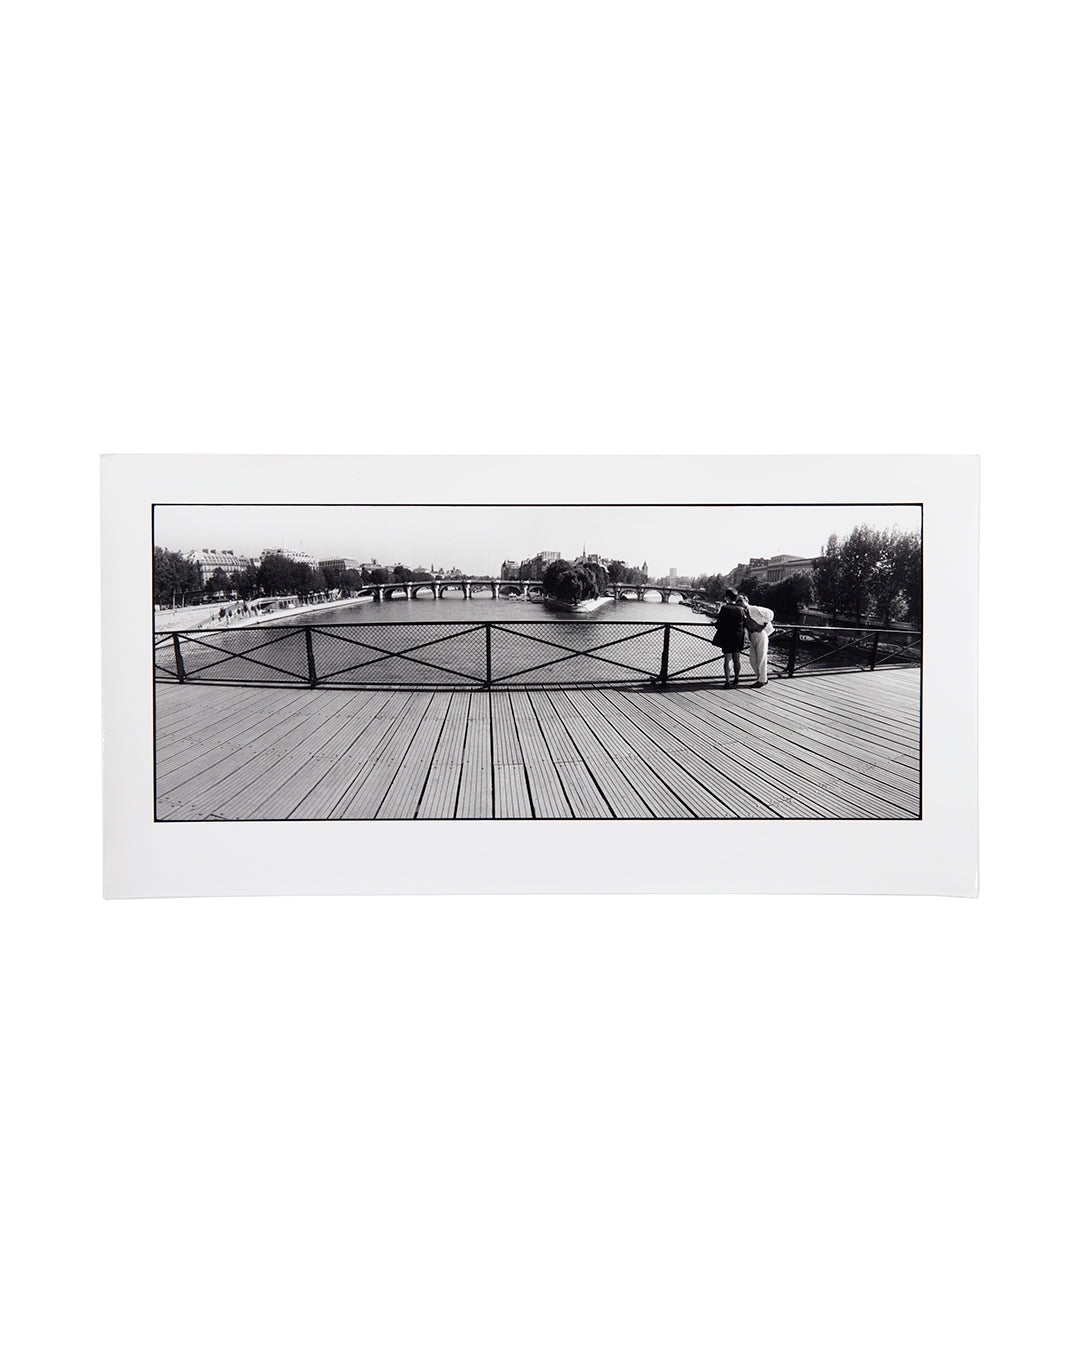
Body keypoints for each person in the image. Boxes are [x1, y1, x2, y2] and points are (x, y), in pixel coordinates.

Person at [712, 588, 747, 688]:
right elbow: (744, 624)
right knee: (737, 659)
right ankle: (736, 677)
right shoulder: (741, 609)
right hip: (738, 637)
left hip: (727, 637)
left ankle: (727, 681)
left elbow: (719, 625)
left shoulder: (724, 608)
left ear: (727, 597)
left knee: (727, 660)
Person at [739, 594, 775, 687]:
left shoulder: (754, 609)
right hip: (752, 636)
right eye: (738, 601)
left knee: (761, 657)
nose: (739, 603)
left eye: (741, 600)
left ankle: (761, 680)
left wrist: (763, 625)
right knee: (752, 659)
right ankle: (761, 678)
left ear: (746, 600)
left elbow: (770, 613)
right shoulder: (742, 613)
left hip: (760, 634)